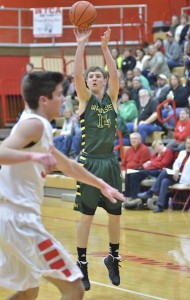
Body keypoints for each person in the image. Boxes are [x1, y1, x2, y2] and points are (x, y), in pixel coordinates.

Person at [0, 71, 125, 300]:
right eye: (59, 95)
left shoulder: (40, 126)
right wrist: (34, 158)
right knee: (73, 288)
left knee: (29, 292)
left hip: (10, 219)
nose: (63, 99)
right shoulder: (33, 125)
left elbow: (66, 165)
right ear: (43, 100)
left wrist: (101, 184)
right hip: (20, 222)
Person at [73, 27, 123, 291]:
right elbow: (75, 76)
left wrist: (105, 49)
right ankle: (82, 264)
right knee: (87, 217)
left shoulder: (112, 98)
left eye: (97, 76)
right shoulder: (84, 100)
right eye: (90, 76)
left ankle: (113, 257)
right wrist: (82, 44)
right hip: (89, 164)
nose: (94, 78)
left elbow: (114, 74)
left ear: (103, 81)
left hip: (110, 163)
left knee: (116, 215)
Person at [138, 136, 190, 213]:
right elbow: (176, 163)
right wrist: (176, 171)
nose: (188, 145)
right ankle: (160, 206)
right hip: (177, 175)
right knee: (165, 181)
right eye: (187, 143)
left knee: (164, 171)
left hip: (187, 178)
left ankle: (151, 192)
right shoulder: (182, 153)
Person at [123, 139, 174, 209]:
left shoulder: (168, 152)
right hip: (151, 170)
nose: (157, 149)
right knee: (129, 173)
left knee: (134, 175)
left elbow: (163, 164)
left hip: (159, 172)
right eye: (155, 148)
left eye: (157, 147)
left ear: (162, 145)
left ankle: (136, 197)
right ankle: (129, 196)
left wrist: (151, 164)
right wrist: (151, 164)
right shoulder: (156, 154)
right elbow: (151, 162)